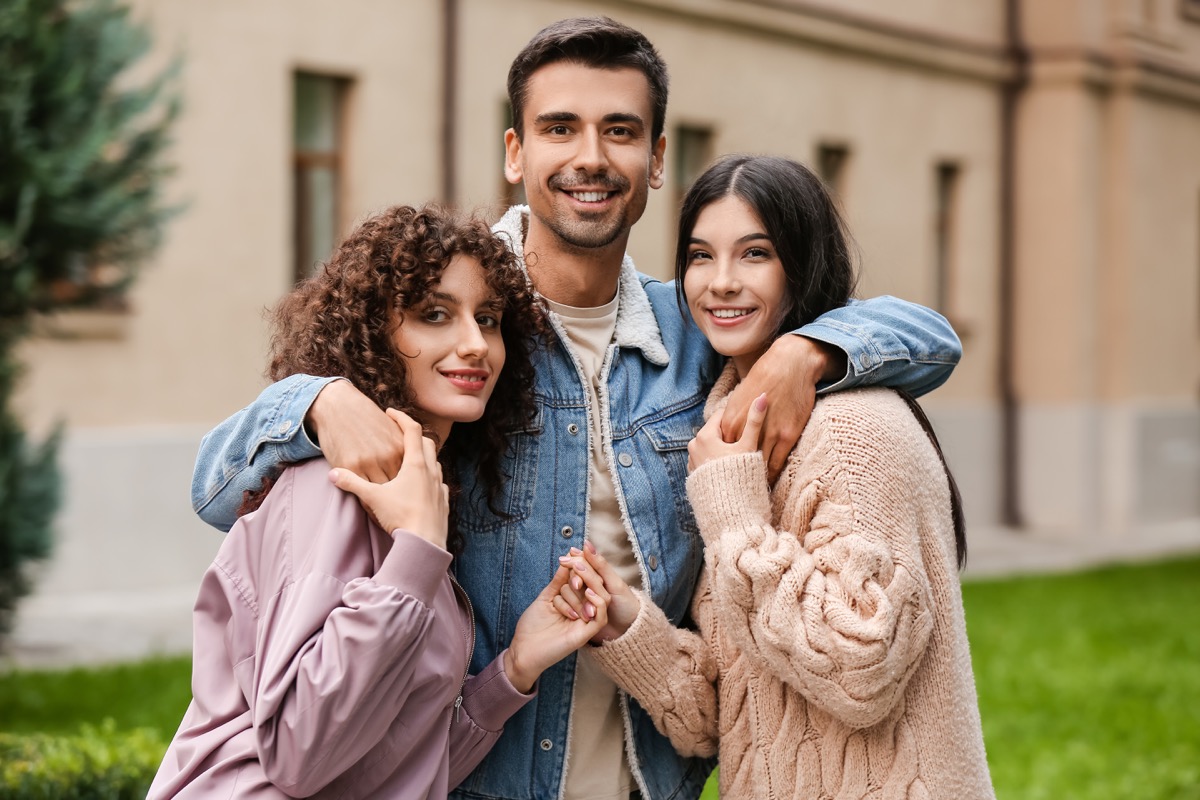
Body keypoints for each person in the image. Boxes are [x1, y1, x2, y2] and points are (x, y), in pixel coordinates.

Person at [189, 17, 964, 800]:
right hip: (473, 776)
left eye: (620, 131)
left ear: (656, 159)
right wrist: (314, 399)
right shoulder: (457, 334)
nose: (590, 157)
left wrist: (812, 350)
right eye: (560, 128)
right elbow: (216, 490)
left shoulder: (699, 339)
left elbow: (928, 338)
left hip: (646, 779)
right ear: (515, 152)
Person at [557, 155, 995, 799]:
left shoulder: (855, 431)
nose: (721, 282)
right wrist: (630, 628)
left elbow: (859, 668)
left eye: (755, 254)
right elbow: (745, 708)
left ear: (803, 264)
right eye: (701, 257)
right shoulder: (729, 426)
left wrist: (733, 515)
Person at [150, 205, 612, 799]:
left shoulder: (415, 493)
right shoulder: (332, 488)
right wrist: (417, 552)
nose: (474, 344)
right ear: (374, 333)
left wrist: (514, 668)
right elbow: (300, 753)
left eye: (489, 318)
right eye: (434, 315)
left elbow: (390, 766)